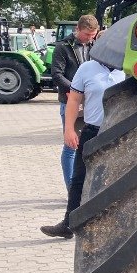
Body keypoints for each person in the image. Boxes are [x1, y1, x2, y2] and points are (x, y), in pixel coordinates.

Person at [40, 57, 125, 239]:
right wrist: (69, 129)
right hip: (92, 131)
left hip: (120, 133)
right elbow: (74, 100)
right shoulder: (87, 68)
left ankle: (114, 225)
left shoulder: (128, 70)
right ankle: (69, 224)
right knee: (79, 179)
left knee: (116, 178)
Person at [50, 15, 99, 189]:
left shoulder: (96, 46)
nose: (90, 38)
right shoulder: (63, 47)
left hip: (93, 103)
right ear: (77, 30)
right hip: (71, 102)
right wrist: (76, 90)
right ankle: (71, 189)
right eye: (87, 34)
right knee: (72, 146)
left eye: (93, 35)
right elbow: (56, 75)